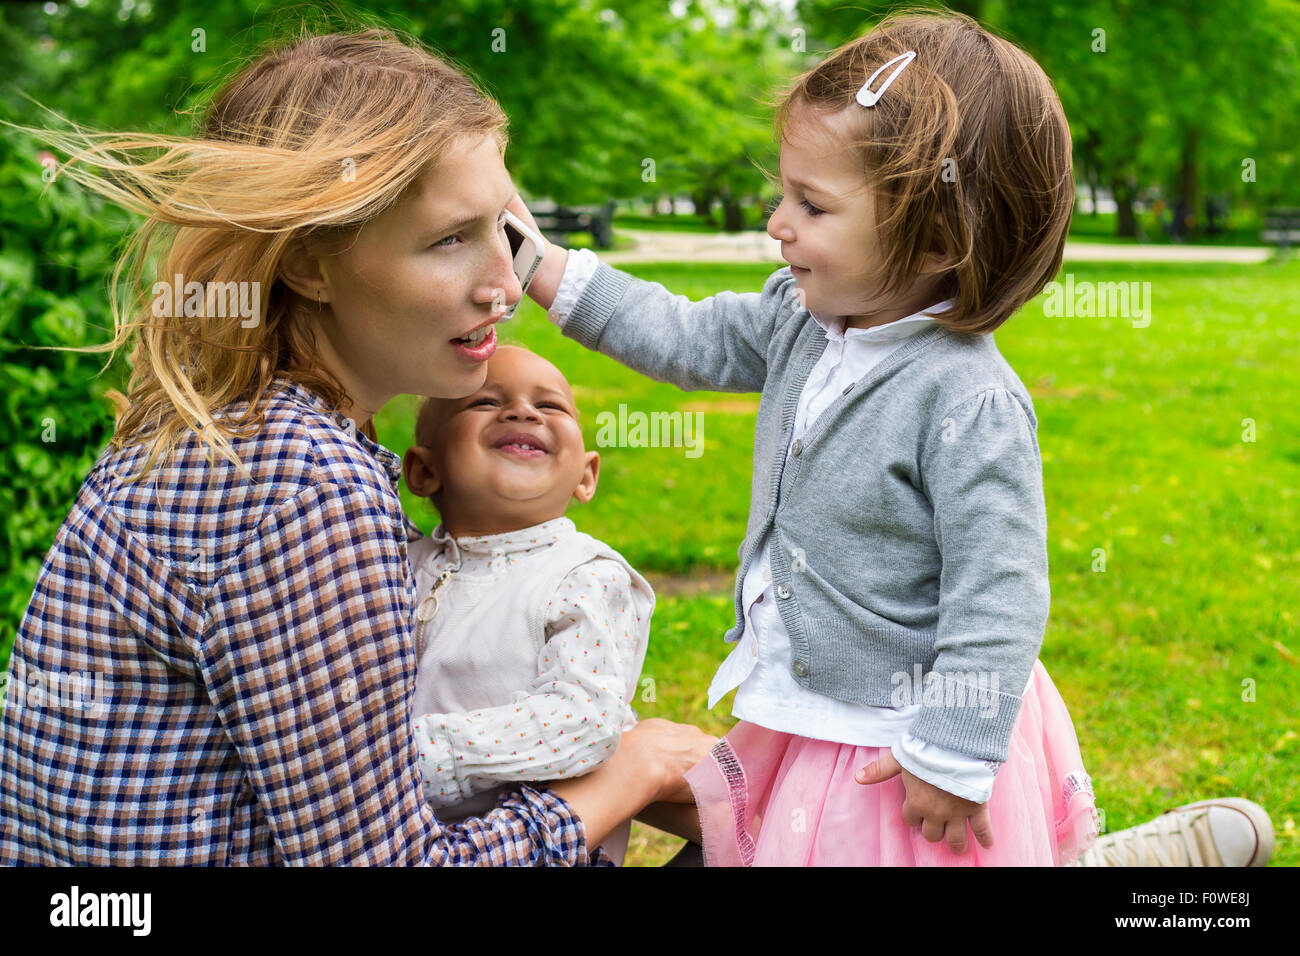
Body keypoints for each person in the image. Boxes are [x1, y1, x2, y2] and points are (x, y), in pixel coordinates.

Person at [0, 28, 714, 866]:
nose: (506, 285)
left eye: (504, 230)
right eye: (451, 239)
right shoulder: (304, 483)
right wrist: (620, 779)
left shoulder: (223, 426)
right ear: (309, 264)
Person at [516, 10, 1100, 866]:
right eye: (784, 192)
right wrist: (545, 268)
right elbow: (687, 336)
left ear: (936, 239)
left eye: (813, 205)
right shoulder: (803, 319)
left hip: (902, 740)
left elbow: (1000, 595)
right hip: (813, 716)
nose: (777, 223)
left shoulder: (967, 398)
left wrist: (954, 748)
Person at [402, 345, 700, 863]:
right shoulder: (398, 562)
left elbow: (582, 718)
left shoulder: (584, 576)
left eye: (552, 406)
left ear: (586, 475)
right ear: (424, 471)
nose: (523, 412)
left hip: (554, 847)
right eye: (485, 402)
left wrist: (416, 753)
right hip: (410, 837)